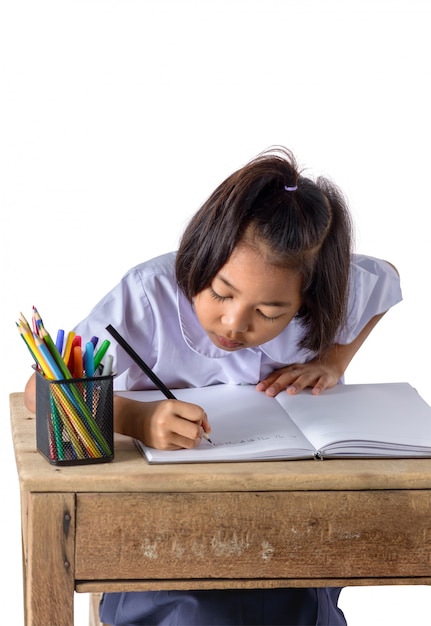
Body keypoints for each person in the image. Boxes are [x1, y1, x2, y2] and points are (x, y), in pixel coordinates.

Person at [24, 146, 402, 625]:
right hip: (161, 522)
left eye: (269, 313)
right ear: (199, 256)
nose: (233, 322)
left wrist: (331, 360)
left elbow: (385, 281)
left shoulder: (324, 287)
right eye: (221, 292)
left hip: (290, 512)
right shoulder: (148, 295)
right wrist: (137, 418)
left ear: (308, 296)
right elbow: (40, 389)